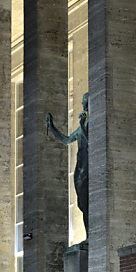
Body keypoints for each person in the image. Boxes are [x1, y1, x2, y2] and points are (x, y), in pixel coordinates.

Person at [46, 92, 89, 242]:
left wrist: (82, 126)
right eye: (83, 102)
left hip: (89, 166)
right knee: (82, 202)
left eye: (86, 102)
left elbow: (91, 139)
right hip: (80, 167)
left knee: (87, 202)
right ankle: (87, 235)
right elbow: (66, 140)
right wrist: (52, 127)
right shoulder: (82, 125)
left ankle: (90, 236)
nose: (84, 105)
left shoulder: (91, 123)